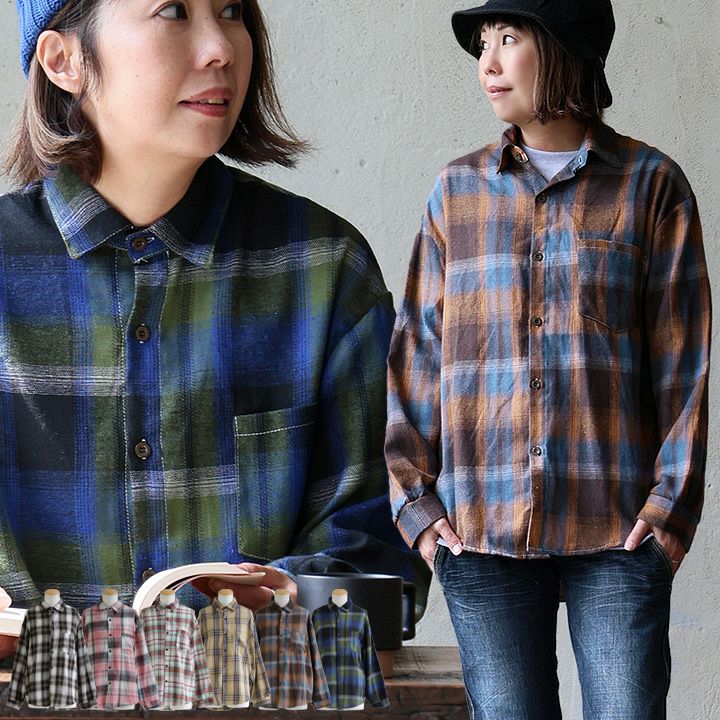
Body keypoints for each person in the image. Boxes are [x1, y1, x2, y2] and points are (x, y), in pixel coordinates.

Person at [0, 0, 429, 662]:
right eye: (173, 11)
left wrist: (283, 597)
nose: (222, 48)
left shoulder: (323, 268)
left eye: (231, 11)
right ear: (64, 60)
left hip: (254, 697)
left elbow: (390, 581)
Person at [385, 1, 711, 718]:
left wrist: (669, 514)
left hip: (618, 530)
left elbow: (683, 367)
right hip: (481, 531)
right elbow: (417, 355)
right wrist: (416, 505)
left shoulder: (651, 186)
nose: (488, 63)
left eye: (508, 38)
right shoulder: (456, 193)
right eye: (482, 44)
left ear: (563, 48)